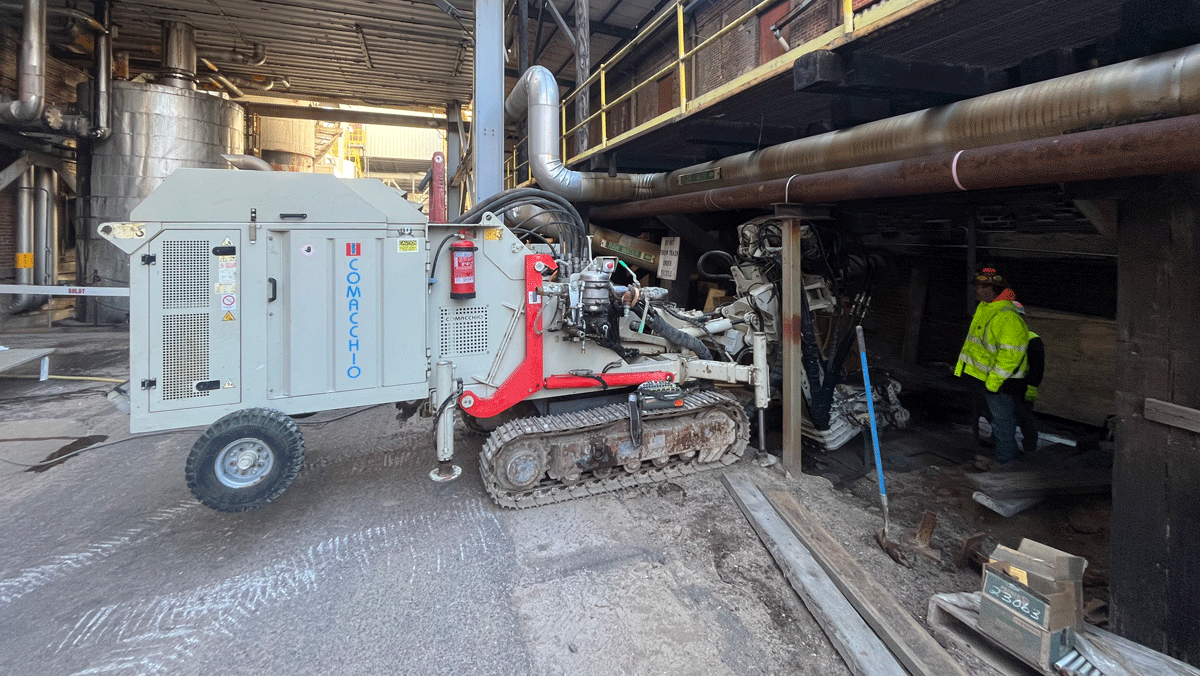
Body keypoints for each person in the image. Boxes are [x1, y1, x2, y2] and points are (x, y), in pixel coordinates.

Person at [956, 267, 1031, 470]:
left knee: (1003, 422)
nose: (976, 291)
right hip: (983, 378)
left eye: (981, 287)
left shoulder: (1007, 316)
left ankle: (1006, 461)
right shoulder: (985, 307)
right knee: (994, 419)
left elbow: (1010, 355)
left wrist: (993, 383)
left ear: (994, 289)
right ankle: (1003, 453)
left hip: (1000, 382)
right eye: (977, 286)